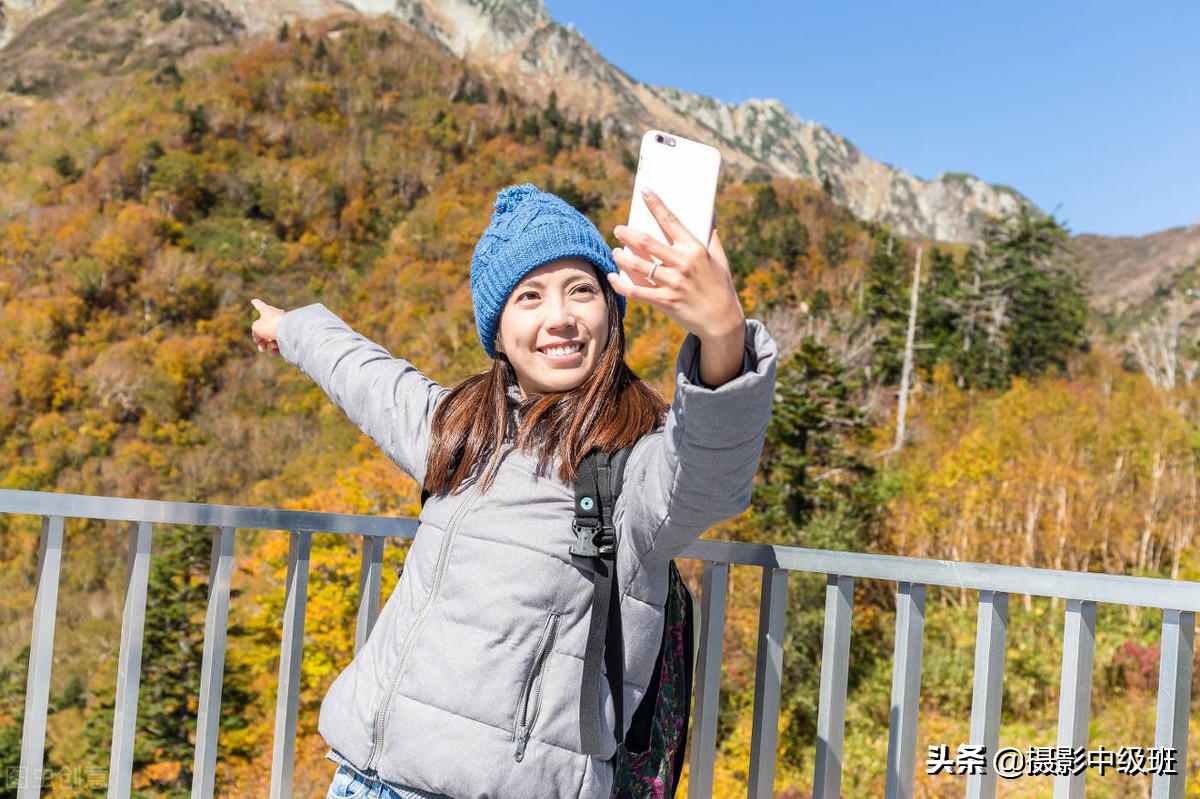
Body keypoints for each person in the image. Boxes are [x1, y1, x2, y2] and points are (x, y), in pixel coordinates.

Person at [250, 183, 777, 798]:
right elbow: (365, 375)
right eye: (529, 296)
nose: (560, 317)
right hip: (366, 778)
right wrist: (291, 327)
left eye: (581, 290)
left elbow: (709, 474)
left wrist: (723, 335)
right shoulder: (459, 430)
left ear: (613, 311)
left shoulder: (635, 462)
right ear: (497, 333)